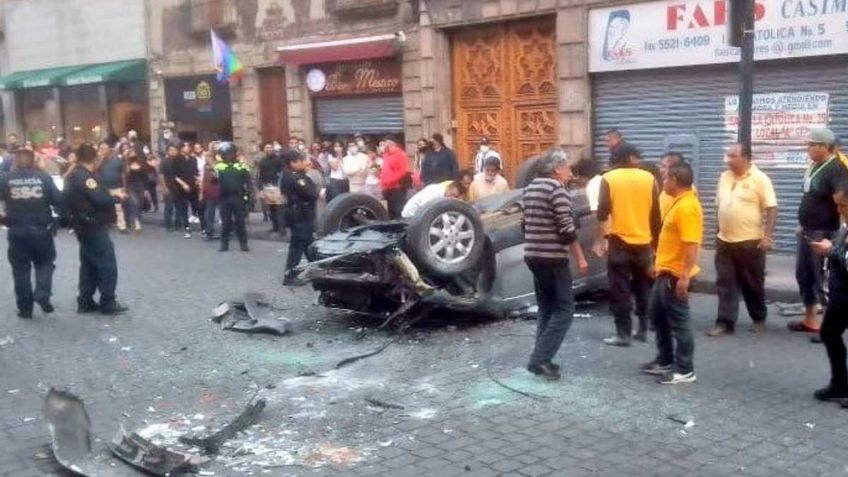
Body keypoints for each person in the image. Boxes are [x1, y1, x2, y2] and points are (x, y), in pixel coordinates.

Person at [523, 149, 589, 381]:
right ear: (556, 169)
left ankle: (543, 357)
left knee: (547, 308)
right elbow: (566, 228)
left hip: (533, 255)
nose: (570, 173)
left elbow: (524, 223)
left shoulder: (531, 188)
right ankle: (539, 359)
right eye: (567, 168)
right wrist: (580, 258)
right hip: (552, 257)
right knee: (564, 310)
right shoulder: (557, 189)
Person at [640, 162, 702, 384]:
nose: (662, 182)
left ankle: (685, 370)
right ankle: (664, 360)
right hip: (664, 272)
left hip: (675, 275)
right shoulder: (678, 203)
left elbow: (691, 245)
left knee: (679, 322)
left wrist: (684, 277)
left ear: (675, 180)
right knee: (657, 316)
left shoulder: (686, 207)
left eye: (665, 178)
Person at [706, 144, 778, 337]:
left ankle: (758, 319)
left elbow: (771, 208)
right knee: (725, 283)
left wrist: (768, 236)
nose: (728, 159)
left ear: (746, 158)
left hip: (750, 242)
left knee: (752, 284)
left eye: (733, 156)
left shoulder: (760, 179)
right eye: (727, 155)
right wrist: (717, 231)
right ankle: (725, 323)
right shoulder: (724, 177)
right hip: (724, 241)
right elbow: (719, 206)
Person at [595, 143, 660, 346]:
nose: (639, 160)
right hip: (644, 243)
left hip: (619, 242)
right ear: (630, 157)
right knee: (643, 287)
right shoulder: (649, 178)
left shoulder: (609, 179)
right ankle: (642, 330)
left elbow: (602, 212)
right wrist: (656, 245)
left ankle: (623, 334)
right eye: (637, 157)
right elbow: (656, 216)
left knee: (620, 289)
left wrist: (602, 239)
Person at [791, 128, 848, 333]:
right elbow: (810, 197)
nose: (808, 148)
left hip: (825, 232)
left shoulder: (836, 169)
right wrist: (802, 224)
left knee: (821, 279)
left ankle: (829, 327)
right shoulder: (815, 165)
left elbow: (843, 202)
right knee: (804, 275)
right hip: (808, 229)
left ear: (824, 146)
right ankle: (810, 320)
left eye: (812, 144)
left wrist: (841, 236)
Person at [64, 144, 128, 315]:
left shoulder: (74, 174)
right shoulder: (85, 177)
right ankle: (108, 301)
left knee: (89, 264)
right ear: (93, 159)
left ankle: (85, 300)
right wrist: (117, 197)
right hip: (92, 225)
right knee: (106, 262)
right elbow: (100, 199)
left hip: (83, 225)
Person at [0, 149, 62, 318]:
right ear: (33, 160)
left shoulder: (6, 179)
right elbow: (58, 200)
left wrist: (2, 218)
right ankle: (42, 292)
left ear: (16, 161)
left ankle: (25, 309)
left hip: (17, 230)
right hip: (41, 230)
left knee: (20, 270)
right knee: (45, 263)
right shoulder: (43, 178)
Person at [810, 183, 848, 401]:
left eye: (843, 205)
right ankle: (840, 385)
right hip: (840, 295)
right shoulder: (845, 224)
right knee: (829, 333)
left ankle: (841, 385)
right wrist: (831, 245)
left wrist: (831, 250)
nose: (839, 210)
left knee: (830, 334)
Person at [280, 149, 319, 286]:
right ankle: (289, 276)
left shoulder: (289, 174)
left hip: (298, 215)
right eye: (301, 161)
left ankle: (318, 271)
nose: (305, 163)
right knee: (298, 247)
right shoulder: (296, 178)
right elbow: (312, 194)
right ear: (293, 163)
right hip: (300, 216)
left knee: (309, 245)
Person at [214, 142, 252, 252]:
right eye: (225, 154)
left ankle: (243, 243)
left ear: (234, 153)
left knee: (240, 222)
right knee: (225, 222)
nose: (227, 156)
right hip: (224, 198)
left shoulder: (241, 166)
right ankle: (224, 244)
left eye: (229, 153)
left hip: (238, 197)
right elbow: (213, 181)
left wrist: (251, 194)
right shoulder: (218, 166)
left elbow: (248, 181)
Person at [97, 141, 128, 233]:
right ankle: (105, 223)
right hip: (103, 187)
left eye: (104, 148)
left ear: (110, 149)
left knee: (118, 207)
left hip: (116, 187)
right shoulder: (99, 159)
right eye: (101, 148)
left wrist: (124, 187)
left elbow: (123, 174)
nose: (102, 150)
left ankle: (122, 226)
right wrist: (101, 158)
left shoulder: (118, 159)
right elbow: (95, 169)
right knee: (104, 206)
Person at [401, 178, 468, 219]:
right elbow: (424, 209)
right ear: (449, 187)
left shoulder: (443, 195)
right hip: (410, 216)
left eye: (454, 197)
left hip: (417, 215)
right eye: (451, 194)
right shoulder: (435, 192)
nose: (451, 198)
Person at [380, 135, 411, 219]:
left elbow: (403, 170)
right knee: (391, 211)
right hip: (386, 188)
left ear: (391, 143)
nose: (384, 146)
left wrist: (391, 180)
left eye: (385, 143)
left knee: (398, 210)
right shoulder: (386, 155)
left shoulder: (401, 154)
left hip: (396, 187)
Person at [257, 143, 285, 233]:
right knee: (271, 208)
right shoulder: (262, 161)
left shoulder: (279, 160)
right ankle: (275, 226)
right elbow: (260, 176)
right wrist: (260, 189)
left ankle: (281, 228)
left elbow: (282, 173)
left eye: (270, 147)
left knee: (279, 208)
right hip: (267, 186)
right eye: (266, 147)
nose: (268, 149)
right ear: (264, 150)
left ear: (273, 149)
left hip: (277, 186)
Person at [124, 150, 149, 232]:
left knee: (140, 204)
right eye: (130, 155)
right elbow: (125, 178)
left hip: (141, 186)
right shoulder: (126, 166)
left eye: (133, 154)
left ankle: (137, 218)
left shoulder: (142, 165)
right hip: (131, 187)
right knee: (134, 202)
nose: (132, 156)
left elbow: (145, 178)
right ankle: (136, 222)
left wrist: (146, 189)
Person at [200, 152, 220, 241]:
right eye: (206, 157)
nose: (207, 158)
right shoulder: (208, 167)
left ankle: (209, 232)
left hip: (216, 192)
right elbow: (215, 177)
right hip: (211, 193)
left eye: (208, 157)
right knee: (209, 214)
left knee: (211, 213)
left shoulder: (215, 166)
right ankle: (209, 232)